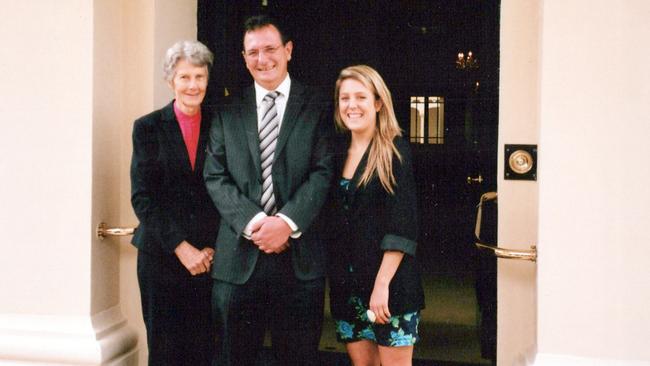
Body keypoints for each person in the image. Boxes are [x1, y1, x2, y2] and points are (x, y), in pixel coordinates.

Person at [203, 15, 334, 366]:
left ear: (288, 50)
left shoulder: (318, 105)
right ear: (244, 58)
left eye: (271, 49)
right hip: (237, 264)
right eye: (253, 52)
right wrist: (258, 222)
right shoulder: (226, 110)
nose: (263, 60)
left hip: (300, 262)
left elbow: (324, 172)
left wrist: (286, 223)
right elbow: (215, 175)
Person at [326, 65, 425, 366]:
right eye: (345, 98)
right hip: (347, 287)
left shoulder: (394, 152)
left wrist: (381, 286)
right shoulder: (336, 150)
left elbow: (402, 225)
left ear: (378, 103)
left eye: (360, 97)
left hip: (389, 287)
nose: (351, 105)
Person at [130, 40, 219, 366]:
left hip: (209, 261)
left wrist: (211, 246)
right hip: (162, 259)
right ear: (171, 80)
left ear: (208, 79)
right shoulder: (147, 127)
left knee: (204, 351)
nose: (193, 85)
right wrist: (182, 248)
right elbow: (142, 197)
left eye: (199, 76)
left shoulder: (220, 123)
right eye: (184, 77)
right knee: (167, 353)